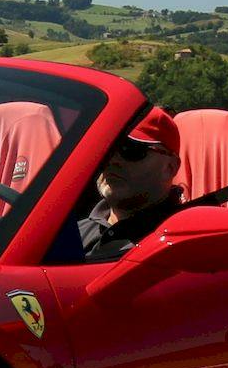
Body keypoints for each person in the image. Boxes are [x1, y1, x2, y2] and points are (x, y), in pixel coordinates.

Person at [73, 107, 186, 261]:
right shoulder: (72, 235)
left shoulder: (179, 243)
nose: (112, 160)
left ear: (170, 167)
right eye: (107, 148)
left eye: (131, 149)